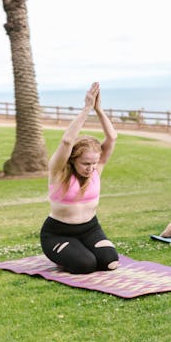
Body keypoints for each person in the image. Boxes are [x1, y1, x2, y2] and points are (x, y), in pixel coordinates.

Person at [41, 82, 120, 274]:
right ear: (73, 160)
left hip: (90, 229)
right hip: (58, 233)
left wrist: (99, 110)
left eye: (94, 163)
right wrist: (86, 109)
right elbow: (68, 140)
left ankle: (79, 249)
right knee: (85, 265)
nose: (91, 168)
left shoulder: (97, 169)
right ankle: (71, 252)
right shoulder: (58, 172)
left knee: (110, 262)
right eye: (86, 164)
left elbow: (112, 138)